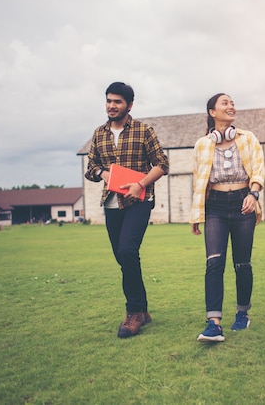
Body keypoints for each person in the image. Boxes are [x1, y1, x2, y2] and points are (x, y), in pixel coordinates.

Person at [85, 82, 169, 339]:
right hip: (111, 203)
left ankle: (133, 313)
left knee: (127, 250)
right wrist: (103, 172)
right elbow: (91, 169)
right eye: (109, 101)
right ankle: (142, 308)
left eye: (118, 101)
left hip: (139, 202)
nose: (112, 105)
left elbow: (162, 164)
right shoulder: (99, 134)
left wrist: (140, 183)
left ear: (129, 105)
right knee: (124, 258)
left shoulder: (144, 131)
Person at [190, 93, 265, 342]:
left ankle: (242, 313)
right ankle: (214, 323)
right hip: (216, 207)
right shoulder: (202, 144)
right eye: (225, 103)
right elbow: (198, 181)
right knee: (214, 263)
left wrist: (253, 194)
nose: (231, 106)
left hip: (244, 202)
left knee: (242, 263)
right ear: (212, 112)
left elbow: (258, 169)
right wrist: (196, 213)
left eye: (232, 102)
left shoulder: (248, 138)